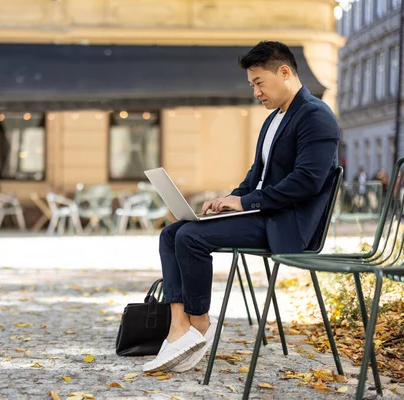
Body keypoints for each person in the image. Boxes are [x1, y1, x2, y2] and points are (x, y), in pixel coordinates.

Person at [142, 41, 340, 373]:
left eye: (259, 83)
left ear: (285, 72)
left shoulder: (316, 116)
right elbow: (256, 177)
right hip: (263, 213)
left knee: (190, 237)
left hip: (287, 225)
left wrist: (246, 202)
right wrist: (227, 201)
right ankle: (179, 326)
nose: (256, 92)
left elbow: (307, 181)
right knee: (171, 233)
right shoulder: (274, 119)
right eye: (252, 85)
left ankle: (200, 324)